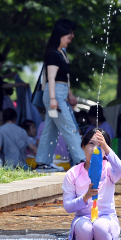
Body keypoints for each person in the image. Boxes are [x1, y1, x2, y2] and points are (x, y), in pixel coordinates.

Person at [62, 129, 121, 240]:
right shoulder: (72, 174)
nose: (95, 149)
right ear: (83, 146)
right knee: (84, 227)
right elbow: (68, 206)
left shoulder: (109, 169)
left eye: (100, 145)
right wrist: (85, 197)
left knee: (100, 226)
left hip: (106, 217)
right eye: (91, 143)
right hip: (82, 217)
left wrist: (107, 148)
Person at [35, 20, 85, 172]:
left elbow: (64, 79)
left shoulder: (61, 54)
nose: (71, 38)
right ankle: (81, 161)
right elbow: (51, 78)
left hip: (57, 95)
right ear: (60, 36)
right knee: (70, 127)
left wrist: (68, 94)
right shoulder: (53, 55)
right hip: (54, 95)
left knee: (50, 129)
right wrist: (52, 99)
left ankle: (42, 162)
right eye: (68, 35)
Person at [0, 53, 29, 133]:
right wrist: (21, 85)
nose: (1, 66)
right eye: (1, 63)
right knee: (0, 131)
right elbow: (3, 85)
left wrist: (9, 75)